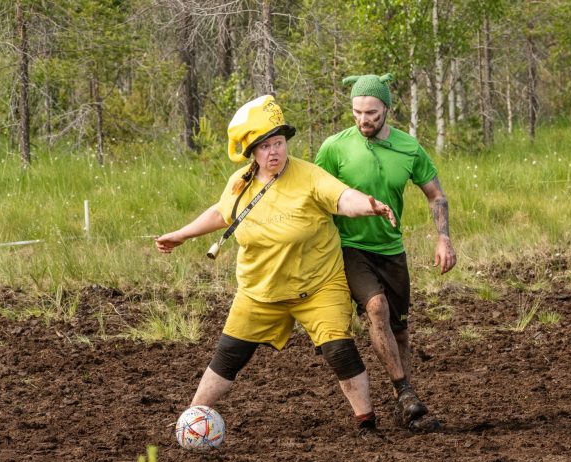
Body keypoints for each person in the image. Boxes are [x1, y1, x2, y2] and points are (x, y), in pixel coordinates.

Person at [155, 94, 398, 437]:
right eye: (266, 146)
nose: (274, 151)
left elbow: (343, 197)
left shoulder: (309, 176)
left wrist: (369, 205)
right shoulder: (241, 182)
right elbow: (222, 212)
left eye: (279, 143)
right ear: (252, 153)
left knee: (339, 349)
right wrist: (181, 234)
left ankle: (367, 423)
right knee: (229, 356)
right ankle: (193, 419)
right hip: (260, 290)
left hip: (317, 286)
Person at [315, 73, 457, 432]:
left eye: (372, 113)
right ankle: (405, 391)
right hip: (350, 248)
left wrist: (444, 239)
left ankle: (405, 405)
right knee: (376, 307)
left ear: (387, 110)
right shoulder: (334, 147)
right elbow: (314, 196)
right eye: (357, 112)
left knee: (400, 330)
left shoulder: (409, 148)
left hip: (391, 250)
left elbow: (436, 195)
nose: (364, 120)